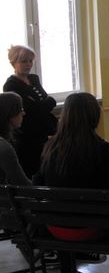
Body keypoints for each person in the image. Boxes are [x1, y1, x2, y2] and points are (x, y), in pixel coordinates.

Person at [37, 92, 109, 273]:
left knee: (63, 206)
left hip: (54, 227)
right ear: (93, 116)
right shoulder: (100, 148)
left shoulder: (50, 148)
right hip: (87, 229)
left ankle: (67, 272)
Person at [3, 45, 57, 178]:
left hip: (44, 132)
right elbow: (31, 111)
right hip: (27, 136)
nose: (28, 64)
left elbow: (44, 103)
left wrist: (44, 104)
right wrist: (46, 103)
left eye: (30, 61)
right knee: (32, 170)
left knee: (46, 169)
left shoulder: (33, 78)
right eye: (23, 61)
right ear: (13, 63)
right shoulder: (11, 85)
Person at [0, 92, 31, 186]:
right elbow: (23, 185)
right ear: (9, 113)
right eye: (20, 109)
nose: (23, 113)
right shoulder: (4, 147)